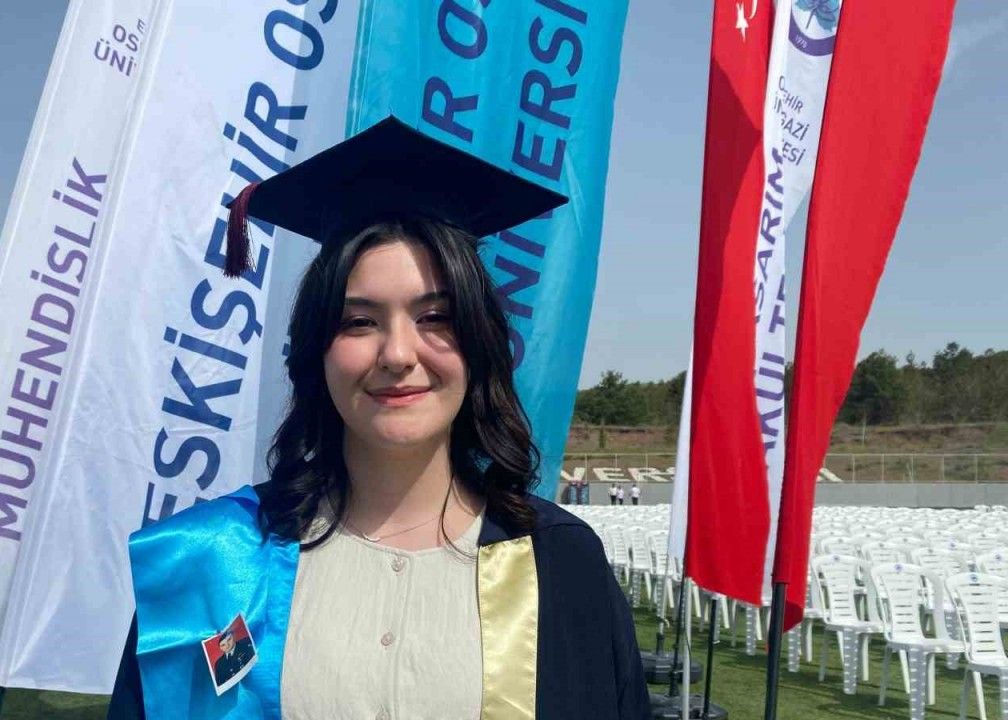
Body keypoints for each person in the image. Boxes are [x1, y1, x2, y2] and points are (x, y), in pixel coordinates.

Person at [107, 117, 648, 719]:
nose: (397, 354)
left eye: (436, 318)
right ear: (316, 351)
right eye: (359, 321)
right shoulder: (211, 558)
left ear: (479, 344)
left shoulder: (561, 564)